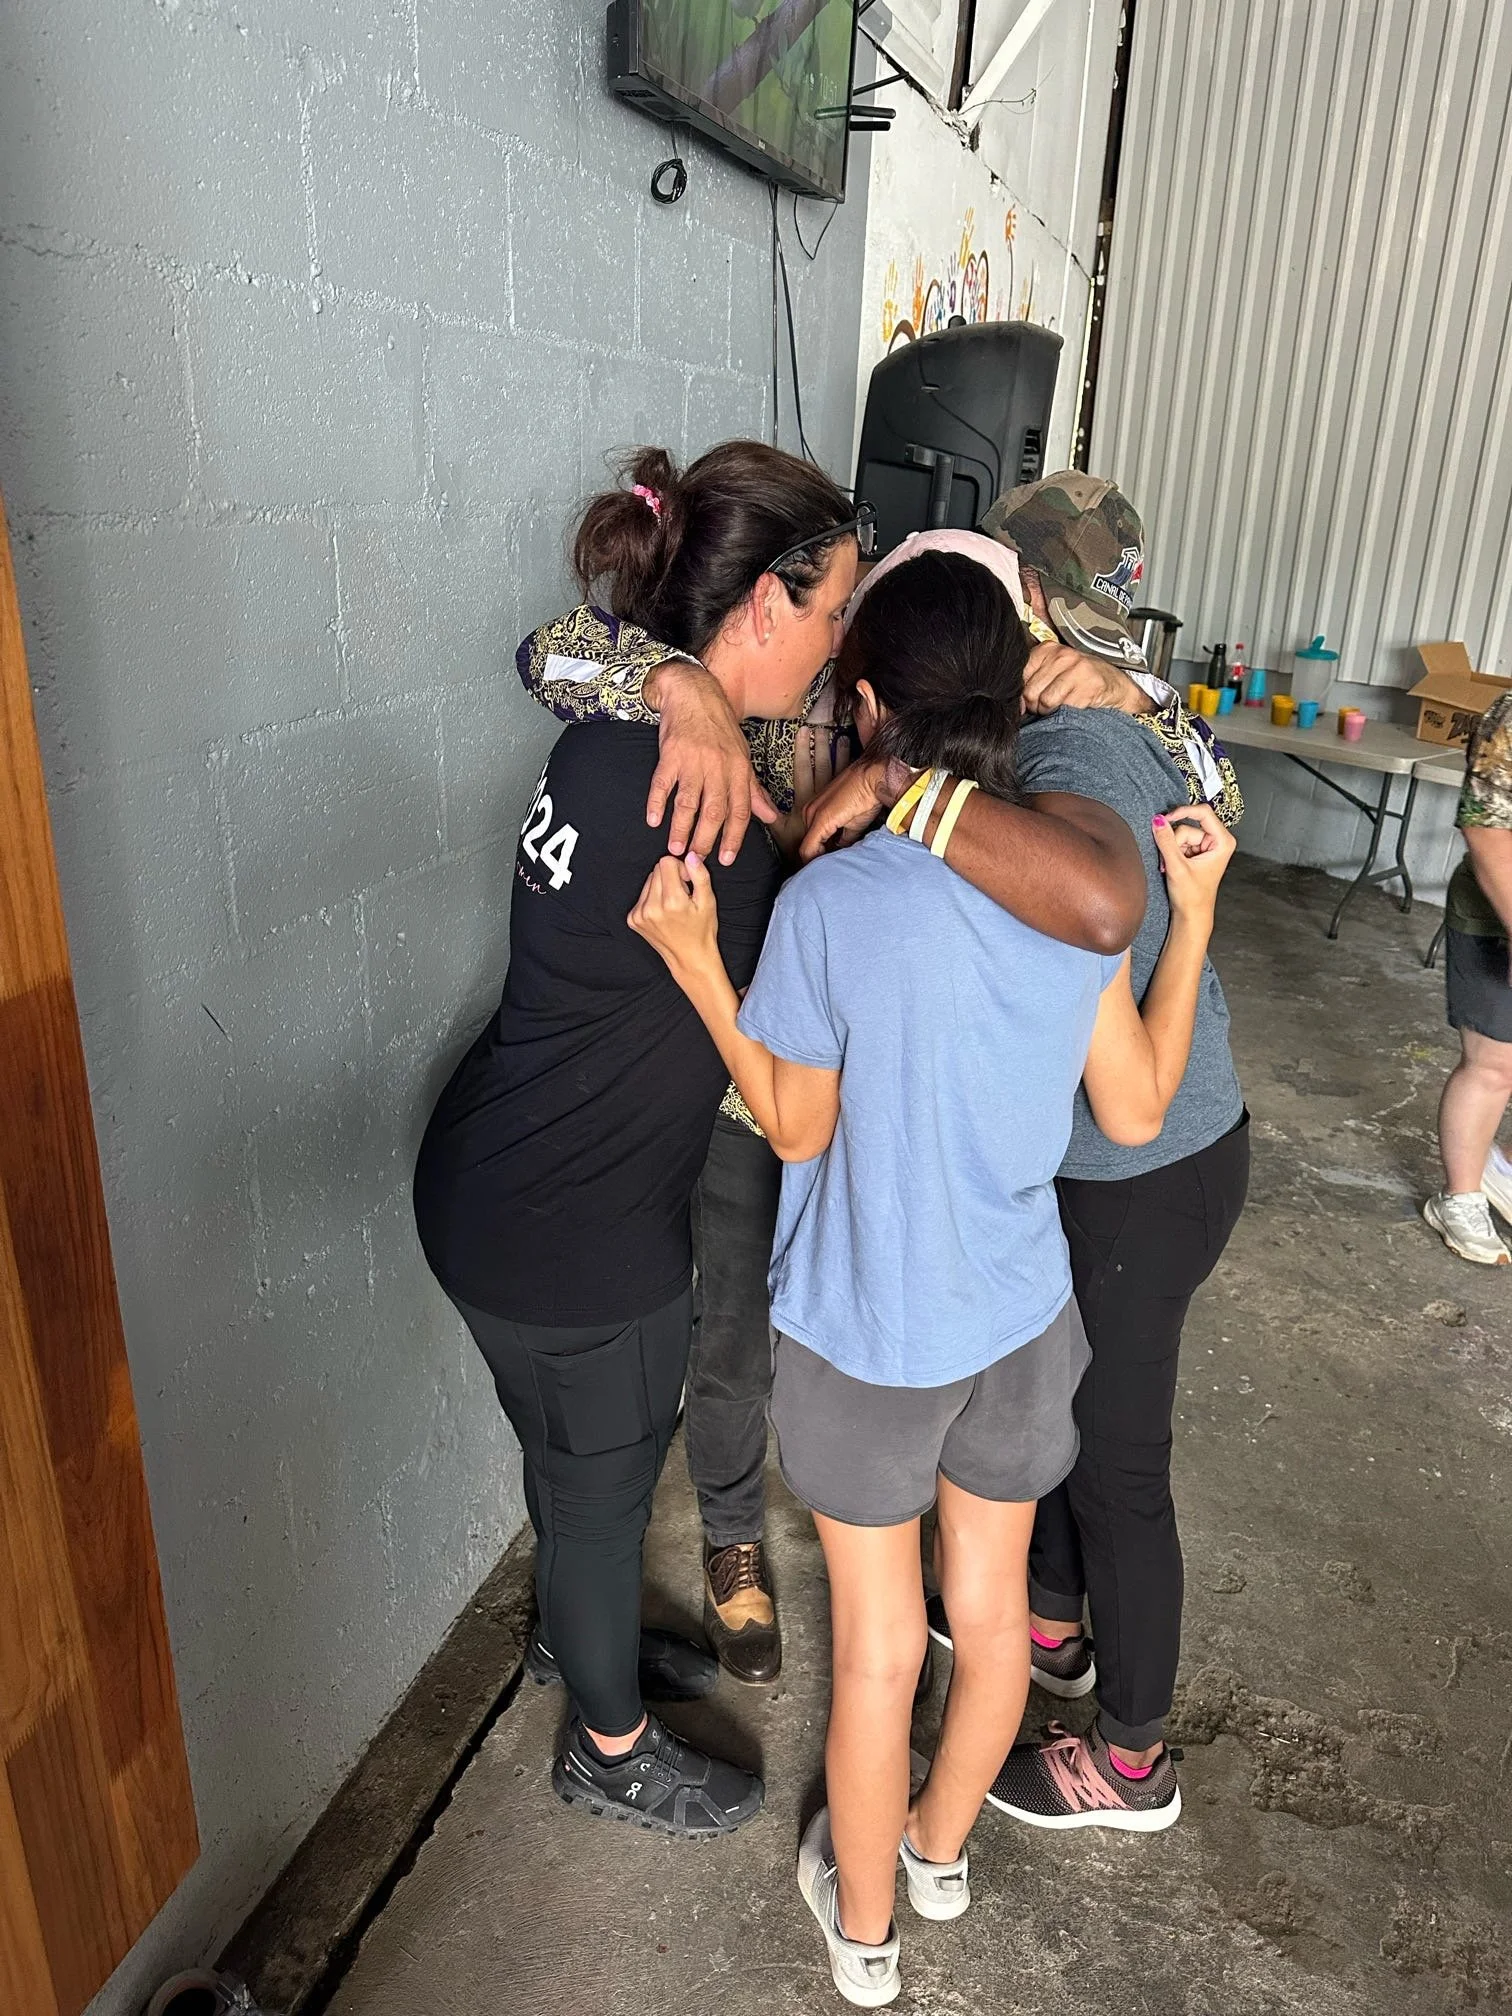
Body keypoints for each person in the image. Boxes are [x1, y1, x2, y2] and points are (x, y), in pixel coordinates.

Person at [628, 546, 1235, 2008]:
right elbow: (1140, 1110)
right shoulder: (1071, 890)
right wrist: (1195, 912)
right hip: (1024, 1322)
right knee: (989, 1613)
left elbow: (794, 1121)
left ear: (866, 703)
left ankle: (870, 1924)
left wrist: (702, 966)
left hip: (867, 1339)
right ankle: (945, 1850)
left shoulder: (840, 903)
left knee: (884, 1647)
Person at [513, 517, 1159, 1683]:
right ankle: (732, 1539)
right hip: (755, 1093)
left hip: (895, 1101)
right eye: (833, 610)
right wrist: (680, 688)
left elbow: (1149, 841)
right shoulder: (756, 718)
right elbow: (546, 653)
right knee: (736, 1333)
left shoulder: (958, 741)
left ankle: (887, 1549)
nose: (832, 646)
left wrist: (1127, 689)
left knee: (877, 1355)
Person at [411, 439, 862, 1836]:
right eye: (837, 609)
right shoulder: (712, 813)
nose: (844, 646)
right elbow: (791, 1080)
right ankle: (607, 1747)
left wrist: (679, 685)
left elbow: (556, 649)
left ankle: (577, 1633)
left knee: (569, 1471)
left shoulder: (617, 734)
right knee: (602, 1489)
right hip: (583, 1247)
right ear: (768, 606)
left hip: (484, 1186)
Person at [803, 476, 1249, 1831]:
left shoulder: (1064, 761)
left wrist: (896, 784)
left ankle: (1131, 1760)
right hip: (1116, 1152)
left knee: (1116, 1457)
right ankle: (1047, 1628)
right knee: (1051, 1416)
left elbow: (1104, 919)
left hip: (1142, 1167)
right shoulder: (1098, 712)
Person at [1423, 686, 1512, 1265]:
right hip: (1497, 911)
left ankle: (1499, 1169)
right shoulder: (1509, 720)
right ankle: (1459, 1196)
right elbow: (1486, 834)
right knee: (1493, 1066)